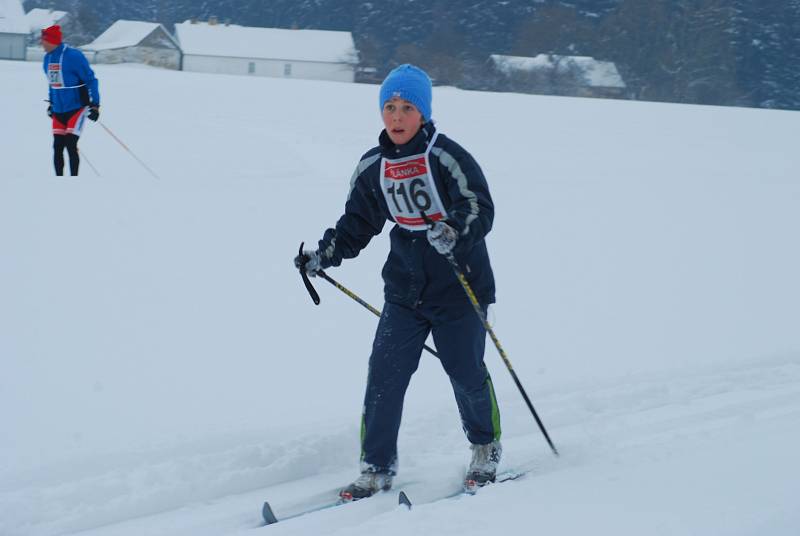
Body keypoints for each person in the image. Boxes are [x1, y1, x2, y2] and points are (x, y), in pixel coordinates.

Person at [294, 64, 502, 500]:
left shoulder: (446, 157)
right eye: (390, 107)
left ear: (423, 113)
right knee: (384, 377)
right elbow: (356, 224)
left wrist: (454, 232)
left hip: (459, 288)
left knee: (465, 372)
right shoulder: (375, 166)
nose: (397, 115)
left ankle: (485, 447)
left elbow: (479, 207)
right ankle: (376, 467)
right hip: (405, 292)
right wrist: (323, 256)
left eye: (407, 107)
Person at [41, 25, 100, 176]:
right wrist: (51, 104)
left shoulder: (74, 56)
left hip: (76, 108)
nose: (42, 43)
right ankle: (59, 181)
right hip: (59, 110)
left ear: (52, 41)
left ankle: (74, 181)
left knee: (70, 144)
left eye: (44, 40)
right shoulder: (47, 59)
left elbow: (91, 80)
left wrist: (95, 106)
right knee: (57, 146)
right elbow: (52, 84)